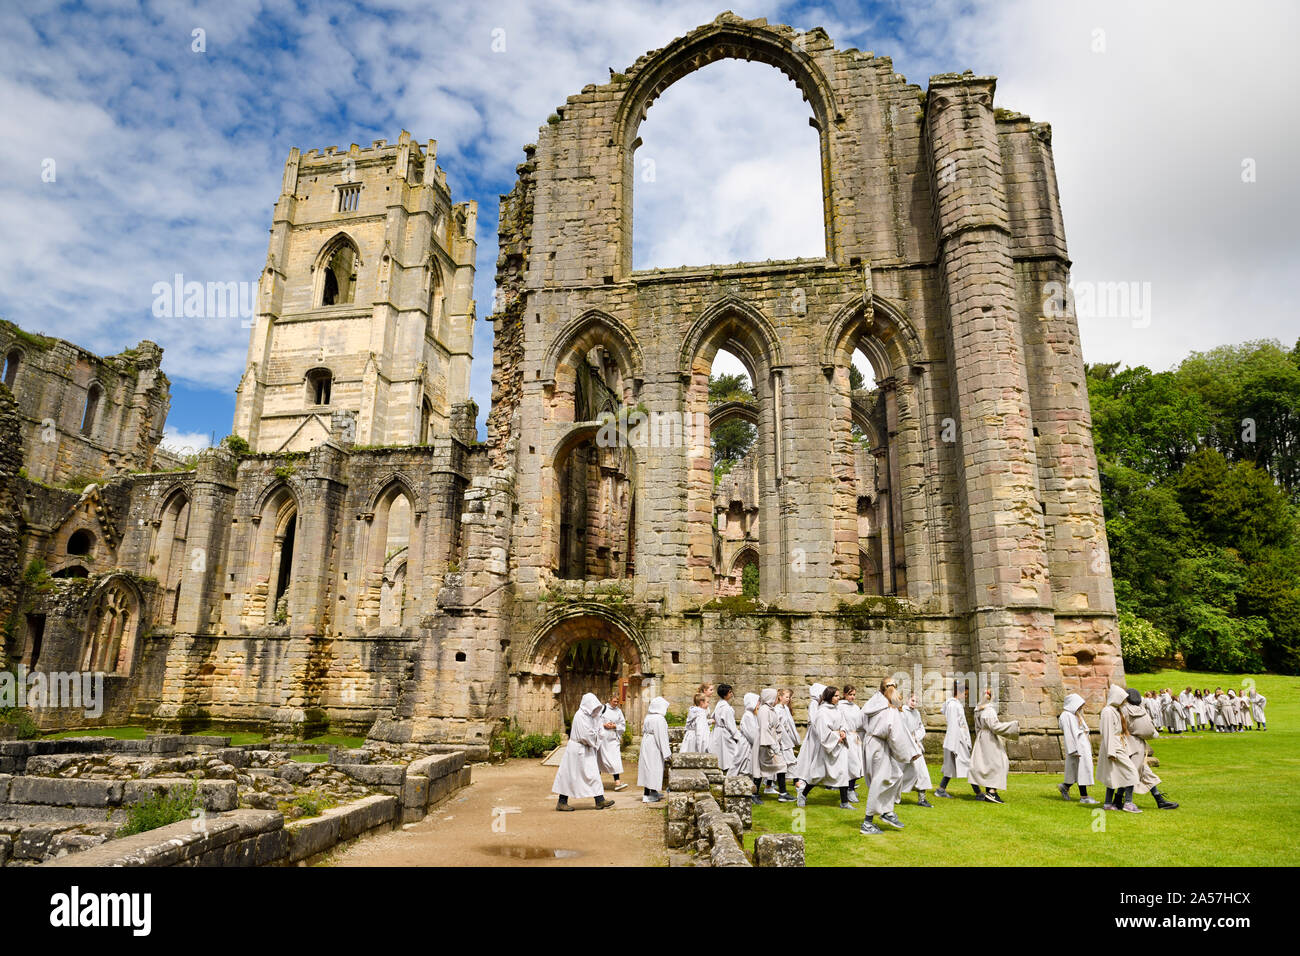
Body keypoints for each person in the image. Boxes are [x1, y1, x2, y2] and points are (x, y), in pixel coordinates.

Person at [858, 680, 920, 833]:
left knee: (895, 775)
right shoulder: (890, 710)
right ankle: (867, 822)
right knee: (880, 781)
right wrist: (907, 755)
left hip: (872, 742)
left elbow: (859, 721)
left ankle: (887, 811)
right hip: (879, 745)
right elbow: (896, 735)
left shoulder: (873, 703)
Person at [553, 693, 616, 811]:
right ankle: (561, 802)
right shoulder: (580, 716)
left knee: (593, 774)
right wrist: (595, 736)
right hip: (577, 749)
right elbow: (585, 735)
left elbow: (600, 730)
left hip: (588, 749)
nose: (595, 709)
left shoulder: (594, 716)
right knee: (570, 775)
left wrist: (597, 736)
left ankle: (600, 800)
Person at [1123, 688, 1179, 810]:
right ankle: (1127, 801)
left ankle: (1159, 800)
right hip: (1137, 745)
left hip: (1129, 744)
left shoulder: (1124, 710)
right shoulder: (1141, 710)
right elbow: (1150, 729)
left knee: (1140, 772)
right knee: (1135, 772)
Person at [800, 686, 854, 808]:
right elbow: (822, 730)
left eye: (838, 695)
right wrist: (836, 738)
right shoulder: (822, 712)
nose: (838, 698)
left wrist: (843, 731)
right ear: (829, 696)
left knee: (842, 773)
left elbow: (843, 722)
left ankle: (844, 802)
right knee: (818, 774)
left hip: (839, 747)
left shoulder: (838, 710)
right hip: (828, 747)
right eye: (835, 696)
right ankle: (803, 794)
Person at [969, 688, 1019, 804]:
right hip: (989, 739)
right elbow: (995, 727)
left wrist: (979, 739)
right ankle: (992, 792)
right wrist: (1013, 726)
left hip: (981, 738)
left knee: (987, 764)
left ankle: (988, 791)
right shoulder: (989, 711)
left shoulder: (978, 710)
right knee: (1000, 763)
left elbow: (978, 728)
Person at [1096, 684, 1139, 813]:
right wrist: (1111, 751)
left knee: (1114, 775)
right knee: (1131, 772)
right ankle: (1128, 803)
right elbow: (1107, 732)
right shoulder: (1108, 711)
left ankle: (1108, 803)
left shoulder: (1115, 710)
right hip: (1114, 745)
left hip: (1118, 744)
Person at [935, 681, 972, 798]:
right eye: (965, 694)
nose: (966, 697)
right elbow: (953, 725)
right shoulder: (953, 705)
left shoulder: (957, 705)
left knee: (951, 766)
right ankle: (979, 793)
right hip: (956, 739)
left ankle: (941, 789)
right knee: (967, 765)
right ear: (959, 692)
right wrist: (954, 743)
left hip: (959, 738)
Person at [755, 688, 794, 802]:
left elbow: (776, 725)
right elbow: (764, 729)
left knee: (781, 766)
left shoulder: (770, 710)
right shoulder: (764, 710)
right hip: (765, 744)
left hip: (773, 741)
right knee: (761, 769)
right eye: (776, 697)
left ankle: (783, 793)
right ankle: (754, 794)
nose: (777, 699)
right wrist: (772, 745)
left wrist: (778, 738)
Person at [1057, 693, 1097, 804]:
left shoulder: (1075, 714)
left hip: (1082, 746)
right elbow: (1068, 734)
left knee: (1078, 771)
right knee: (1081, 771)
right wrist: (1073, 749)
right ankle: (1084, 796)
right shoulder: (1066, 716)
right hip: (1077, 748)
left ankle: (1065, 786)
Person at [792, 682, 827, 798]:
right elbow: (814, 719)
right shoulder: (814, 704)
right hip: (814, 734)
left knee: (813, 756)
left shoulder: (818, 704)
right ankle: (802, 781)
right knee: (809, 755)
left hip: (817, 733)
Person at [899, 693, 933, 807]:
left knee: (921, 771)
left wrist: (916, 737)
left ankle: (922, 798)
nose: (914, 703)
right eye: (912, 700)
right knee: (900, 773)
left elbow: (920, 728)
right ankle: (892, 796)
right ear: (907, 700)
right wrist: (910, 739)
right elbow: (901, 729)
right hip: (904, 746)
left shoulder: (916, 713)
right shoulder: (902, 712)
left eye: (916, 701)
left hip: (915, 746)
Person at [637, 696, 670, 803]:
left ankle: (653, 791)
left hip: (647, 743)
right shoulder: (659, 719)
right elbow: (662, 737)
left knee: (648, 767)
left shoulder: (649, 717)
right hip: (654, 745)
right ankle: (647, 795)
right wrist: (667, 753)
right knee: (653, 768)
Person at [710, 684, 746, 774]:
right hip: (725, 733)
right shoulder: (726, 708)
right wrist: (737, 737)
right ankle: (731, 774)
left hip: (718, 731)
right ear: (724, 694)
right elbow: (730, 725)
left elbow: (713, 716)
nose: (731, 694)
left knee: (723, 753)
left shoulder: (719, 704)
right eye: (729, 692)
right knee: (733, 754)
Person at [838, 685, 864, 803]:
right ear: (844, 694)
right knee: (850, 765)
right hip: (846, 737)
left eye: (854, 695)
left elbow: (860, 722)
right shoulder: (840, 706)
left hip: (855, 737)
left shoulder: (856, 707)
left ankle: (851, 788)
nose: (852, 697)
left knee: (857, 765)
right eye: (850, 694)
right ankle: (849, 789)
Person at [596, 694, 627, 791]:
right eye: (614, 701)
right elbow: (596, 720)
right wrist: (604, 725)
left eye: (617, 702)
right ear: (610, 701)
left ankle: (617, 782)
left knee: (615, 760)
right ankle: (596, 782)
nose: (616, 703)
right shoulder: (603, 708)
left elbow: (622, 724)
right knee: (600, 760)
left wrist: (615, 726)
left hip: (613, 739)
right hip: (603, 739)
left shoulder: (619, 711)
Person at [737, 692, 759, 793]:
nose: (758, 704)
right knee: (745, 766)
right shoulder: (748, 716)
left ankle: (747, 790)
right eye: (757, 702)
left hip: (751, 745)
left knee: (750, 767)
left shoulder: (752, 715)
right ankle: (742, 788)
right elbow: (751, 734)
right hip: (746, 745)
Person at [776, 688, 800, 779]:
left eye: (789, 697)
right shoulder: (777, 709)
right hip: (782, 739)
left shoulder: (785, 708)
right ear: (780, 697)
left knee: (788, 761)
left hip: (787, 738)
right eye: (786, 697)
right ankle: (796, 782)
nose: (788, 699)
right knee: (788, 761)